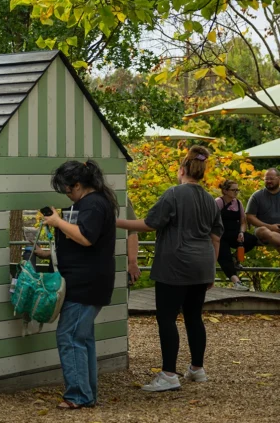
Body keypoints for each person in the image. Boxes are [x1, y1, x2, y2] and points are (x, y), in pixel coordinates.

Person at [118, 145, 222, 392]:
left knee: (166, 318)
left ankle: (168, 374)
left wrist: (113, 221)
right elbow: (216, 237)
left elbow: (149, 223)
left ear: (183, 169)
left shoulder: (174, 194)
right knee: (194, 317)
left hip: (175, 266)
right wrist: (211, 269)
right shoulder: (210, 200)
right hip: (201, 266)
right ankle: (197, 369)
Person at [38, 160, 118, 409]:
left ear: (78, 185)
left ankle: (78, 395)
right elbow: (77, 243)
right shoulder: (91, 203)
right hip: (87, 279)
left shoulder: (94, 204)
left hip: (86, 283)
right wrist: (50, 254)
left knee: (69, 336)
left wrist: (57, 222)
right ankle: (86, 392)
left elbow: (85, 238)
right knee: (81, 338)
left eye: (68, 189)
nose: (67, 194)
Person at [216, 180, 256, 290]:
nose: (236, 192)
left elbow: (243, 221)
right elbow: (212, 221)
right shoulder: (219, 202)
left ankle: (236, 258)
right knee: (224, 256)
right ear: (225, 190)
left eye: (237, 190)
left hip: (234, 233)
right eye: (233, 190)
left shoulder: (238, 203)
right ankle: (237, 282)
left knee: (252, 240)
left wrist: (241, 232)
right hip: (221, 235)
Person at [246, 168, 280, 249]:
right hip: (264, 230)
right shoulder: (257, 196)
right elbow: (250, 217)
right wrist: (270, 227)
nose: (268, 181)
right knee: (263, 231)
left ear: (279, 178)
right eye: (266, 179)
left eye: (271, 178)